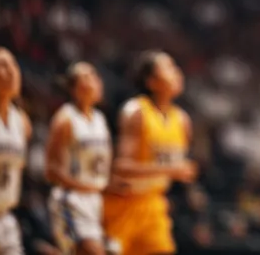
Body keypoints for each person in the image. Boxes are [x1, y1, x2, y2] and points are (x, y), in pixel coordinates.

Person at [103, 51, 196, 255]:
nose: (177, 72)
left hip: (154, 203)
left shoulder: (182, 120)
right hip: (122, 203)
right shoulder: (137, 112)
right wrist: (172, 169)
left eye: (176, 67)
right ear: (152, 82)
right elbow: (121, 167)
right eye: (169, 68)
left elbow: (176, 170)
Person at [45, 63, 112, 255]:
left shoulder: (100, 119)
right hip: (72, 200)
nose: (96, 81)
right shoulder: (65, 119)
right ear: (74, 89)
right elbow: (51, 170)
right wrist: (84, 186)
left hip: (95, 199)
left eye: (96, 76)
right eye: (88, 77)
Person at [0, 48, 31, 255]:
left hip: (6, 216)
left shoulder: (22, 122)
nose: (12, 71)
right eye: (2, 66)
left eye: (14, 65)